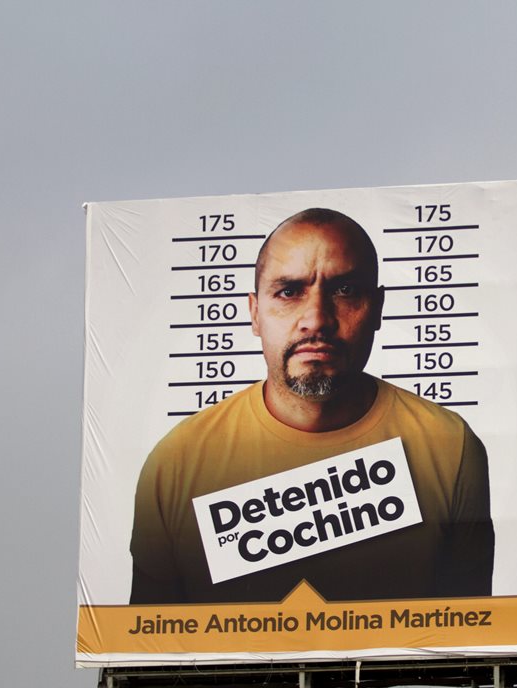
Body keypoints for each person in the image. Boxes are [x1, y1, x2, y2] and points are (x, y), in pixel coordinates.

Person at [129, 208, 494, 604]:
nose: (316, 320)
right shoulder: (176, 462)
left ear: (377, 308)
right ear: (254, 312)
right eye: (289, 292)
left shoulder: (449, 446)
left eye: (345, 291)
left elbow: (467, 643)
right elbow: (148, 649)